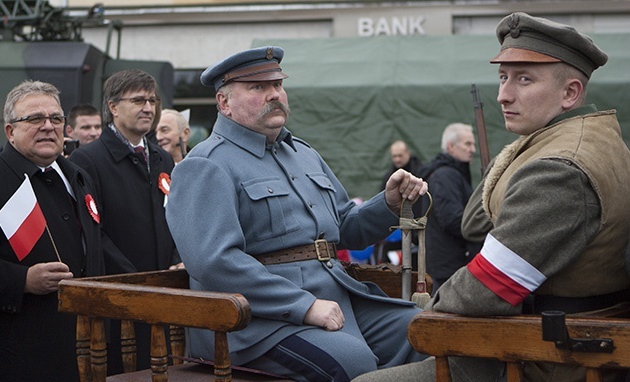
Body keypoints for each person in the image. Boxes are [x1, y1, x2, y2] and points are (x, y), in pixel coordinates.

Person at [353, 12, 630, 382]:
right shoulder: (584, 138)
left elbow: (487, 288)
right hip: (538, 339)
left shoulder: (559, 169)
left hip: (543, 358)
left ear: (570, 93)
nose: (503, 95)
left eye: (524, 79)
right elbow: (474, 223)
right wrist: (518, 148)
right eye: (503, 77)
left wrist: (424, 313)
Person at [165, 46, 429, 382]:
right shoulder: (205, 164)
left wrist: (388, 203)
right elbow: (215, 262)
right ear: (224, 103)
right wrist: (304, 306)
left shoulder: (303, 154)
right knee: (351, 362)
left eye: (277, 85)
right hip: (255, 324)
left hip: (336, 296)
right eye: (258, 88)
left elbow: (345, 228)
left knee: (424, 332)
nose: (274, 94)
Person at [0, 80, 128, 381]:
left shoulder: (77, 175)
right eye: (35, 119)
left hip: (86, 345)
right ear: (10, 131)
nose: (48, 126)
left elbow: (97, 243)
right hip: (19, 352)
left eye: (56, 118)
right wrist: (22, 280)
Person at [69, 69, 181, 374]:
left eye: (152, 100)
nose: (148, 107)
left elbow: (174, 215)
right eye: (138, 100)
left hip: (165, 290)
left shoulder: (162, 158)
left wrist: (176, 260)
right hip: (122, 297)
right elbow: (94, 232)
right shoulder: (87, 160)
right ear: (114, 107)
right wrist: (136, 279)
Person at [417, 123, 481, 294]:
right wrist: (482, 225)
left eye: (473, 144)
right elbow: (452, 219)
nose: (473, 149)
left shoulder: (451, 174)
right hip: (449, 268)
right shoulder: (446, 175)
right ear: (451, 147)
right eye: (468, 144)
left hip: (450, 264)